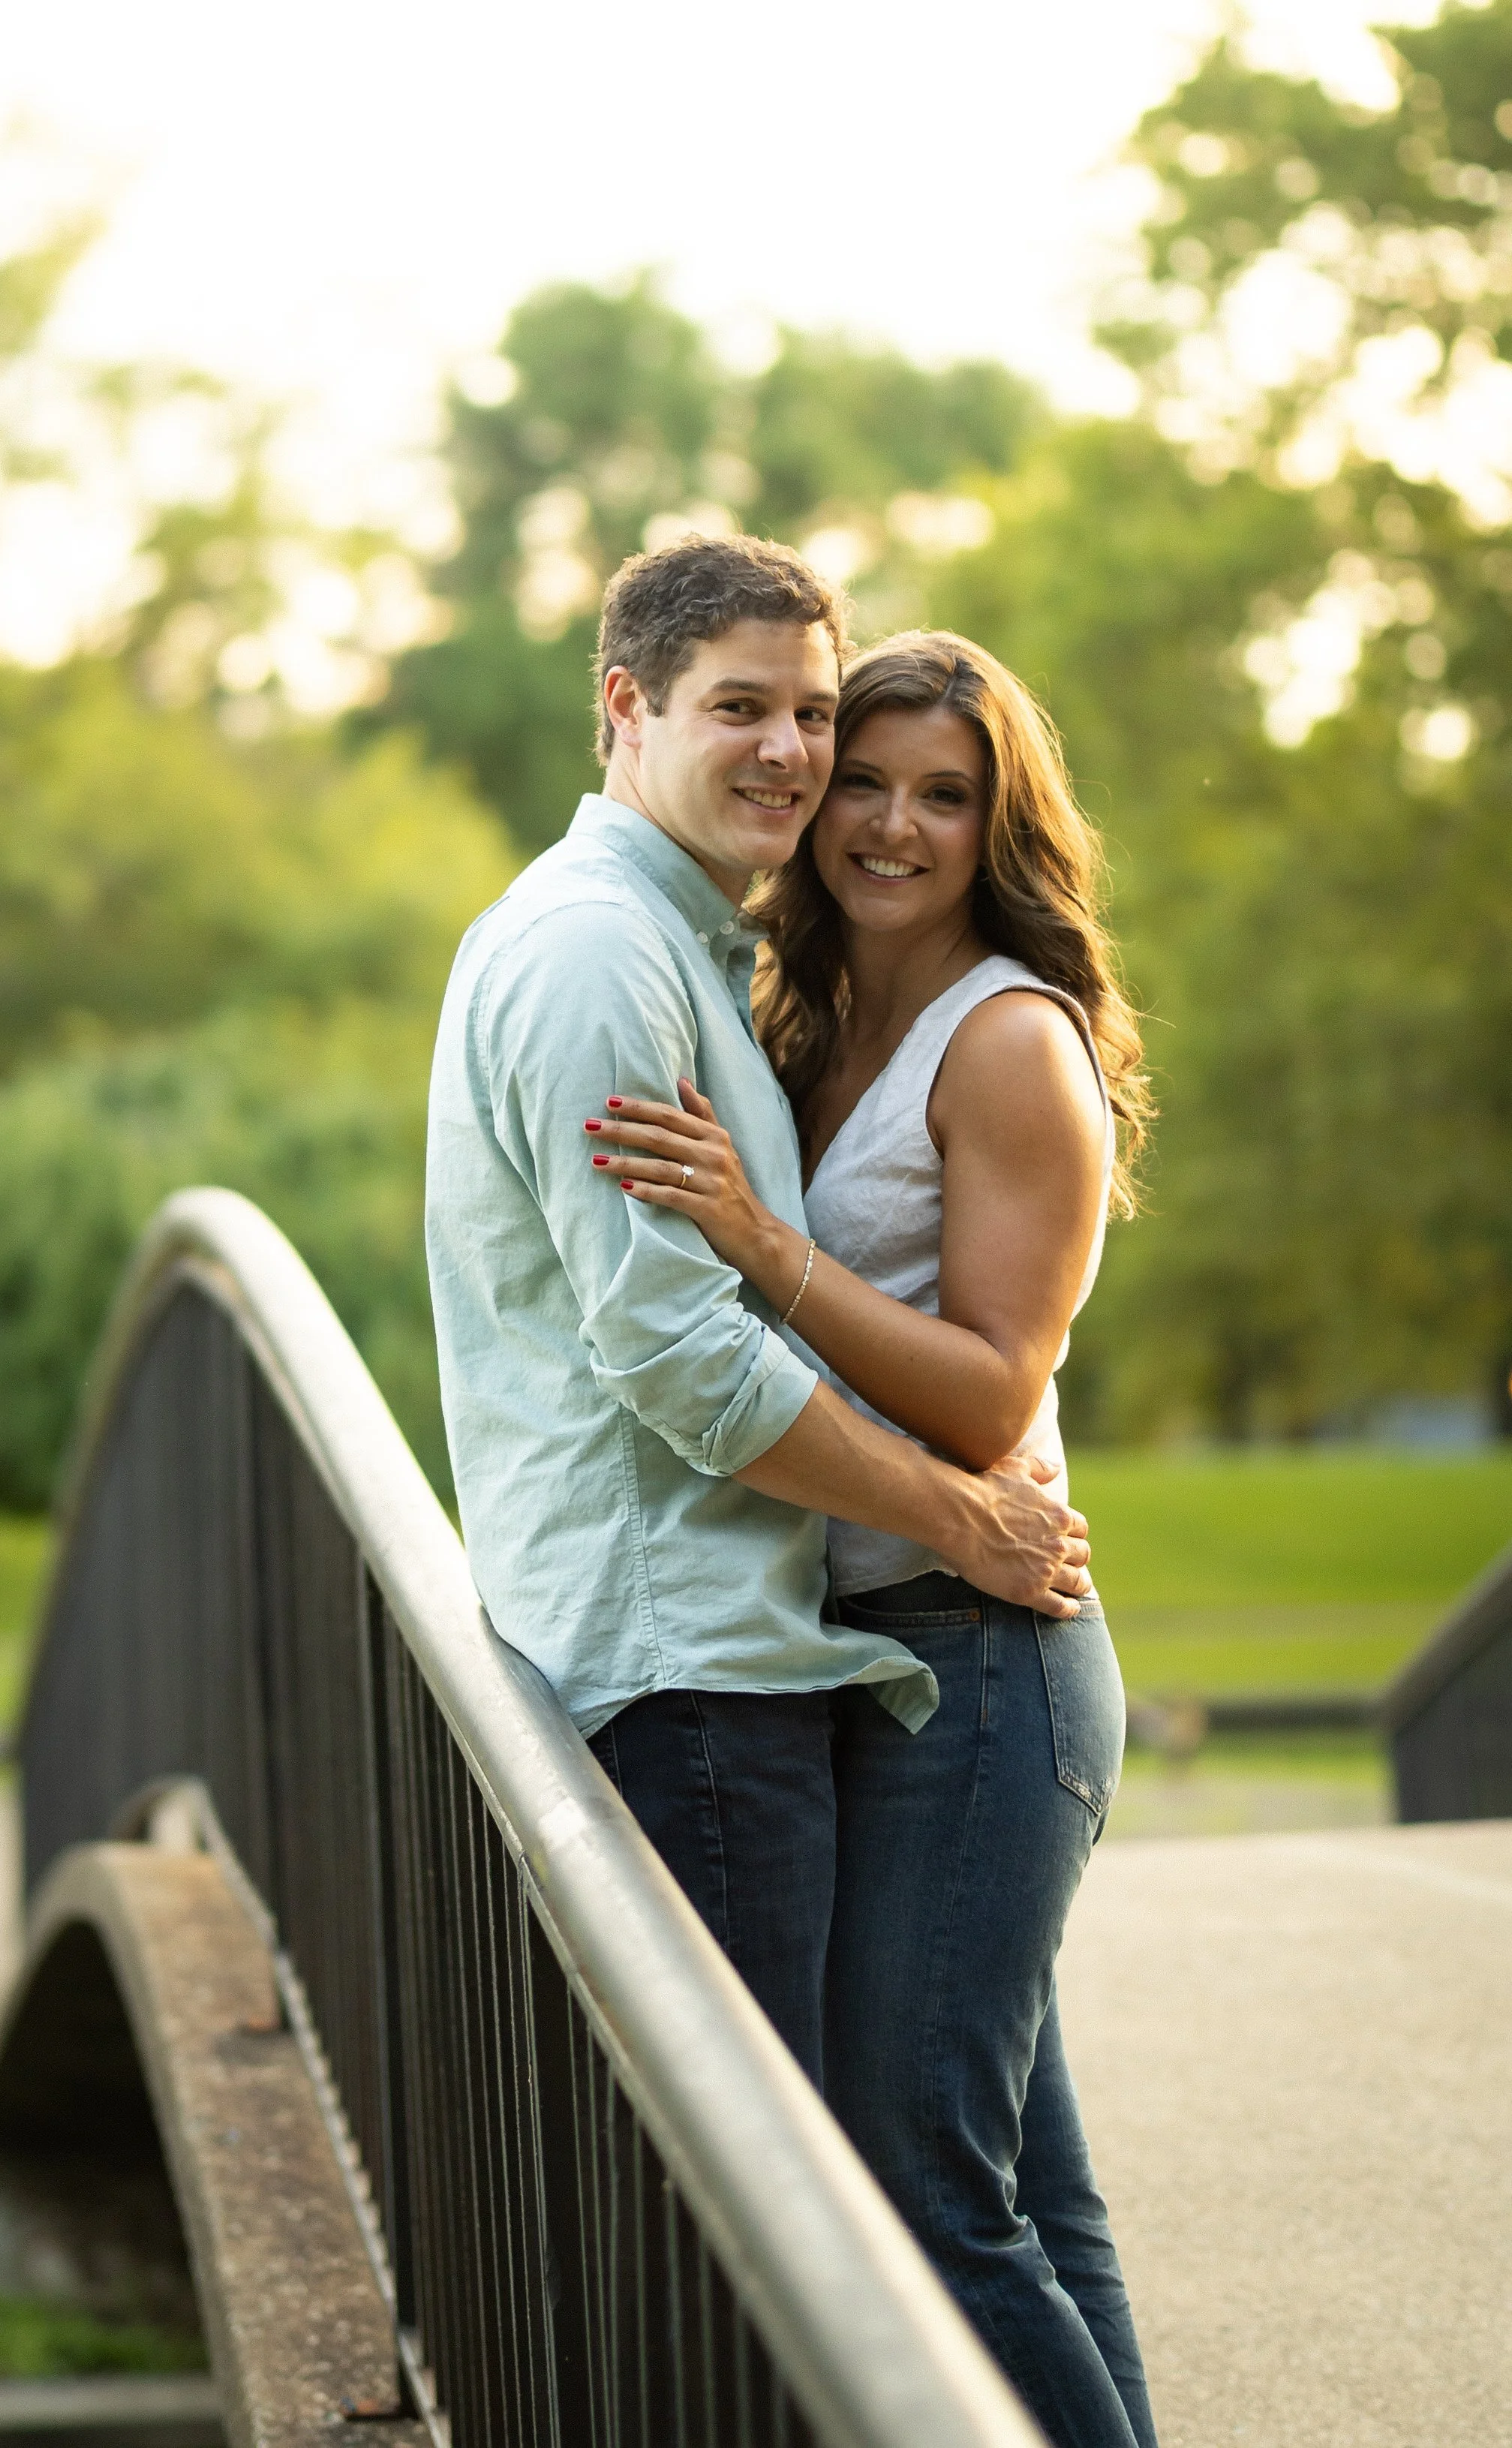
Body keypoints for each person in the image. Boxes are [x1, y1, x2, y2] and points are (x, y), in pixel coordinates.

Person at [582, 630, 1159, 2448]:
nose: (894, 824)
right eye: (867, 781)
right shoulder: (807, 1015)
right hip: (887, 1660)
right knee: (1016, 2195)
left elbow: (993, 1400)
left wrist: (766, 1245)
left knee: (925, 2188)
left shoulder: (1005, 1041)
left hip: (985, 1667)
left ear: (1000, 824)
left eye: (947, 793)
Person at [426, 540, 1091, 2096]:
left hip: (741, 1659)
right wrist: (960, 1516)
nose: (790, 755)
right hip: (691, 1673)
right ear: (624, 706)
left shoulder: (693, 952)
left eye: (808, 712)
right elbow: (679, 1356)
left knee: (911, 2191)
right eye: (742, 707)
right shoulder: (601, 952)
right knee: (768, 2216)